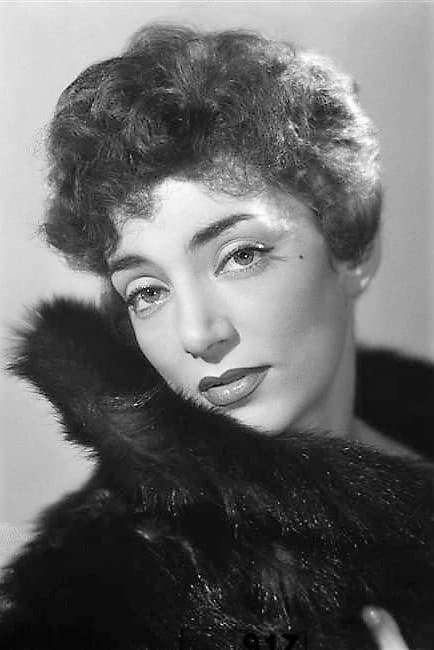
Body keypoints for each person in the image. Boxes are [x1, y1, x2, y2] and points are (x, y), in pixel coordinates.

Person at [0, 23, 433, 649]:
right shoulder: (105, 594)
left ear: (351, 249)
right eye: (147, 291)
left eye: (240, 256)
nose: (197, 333)